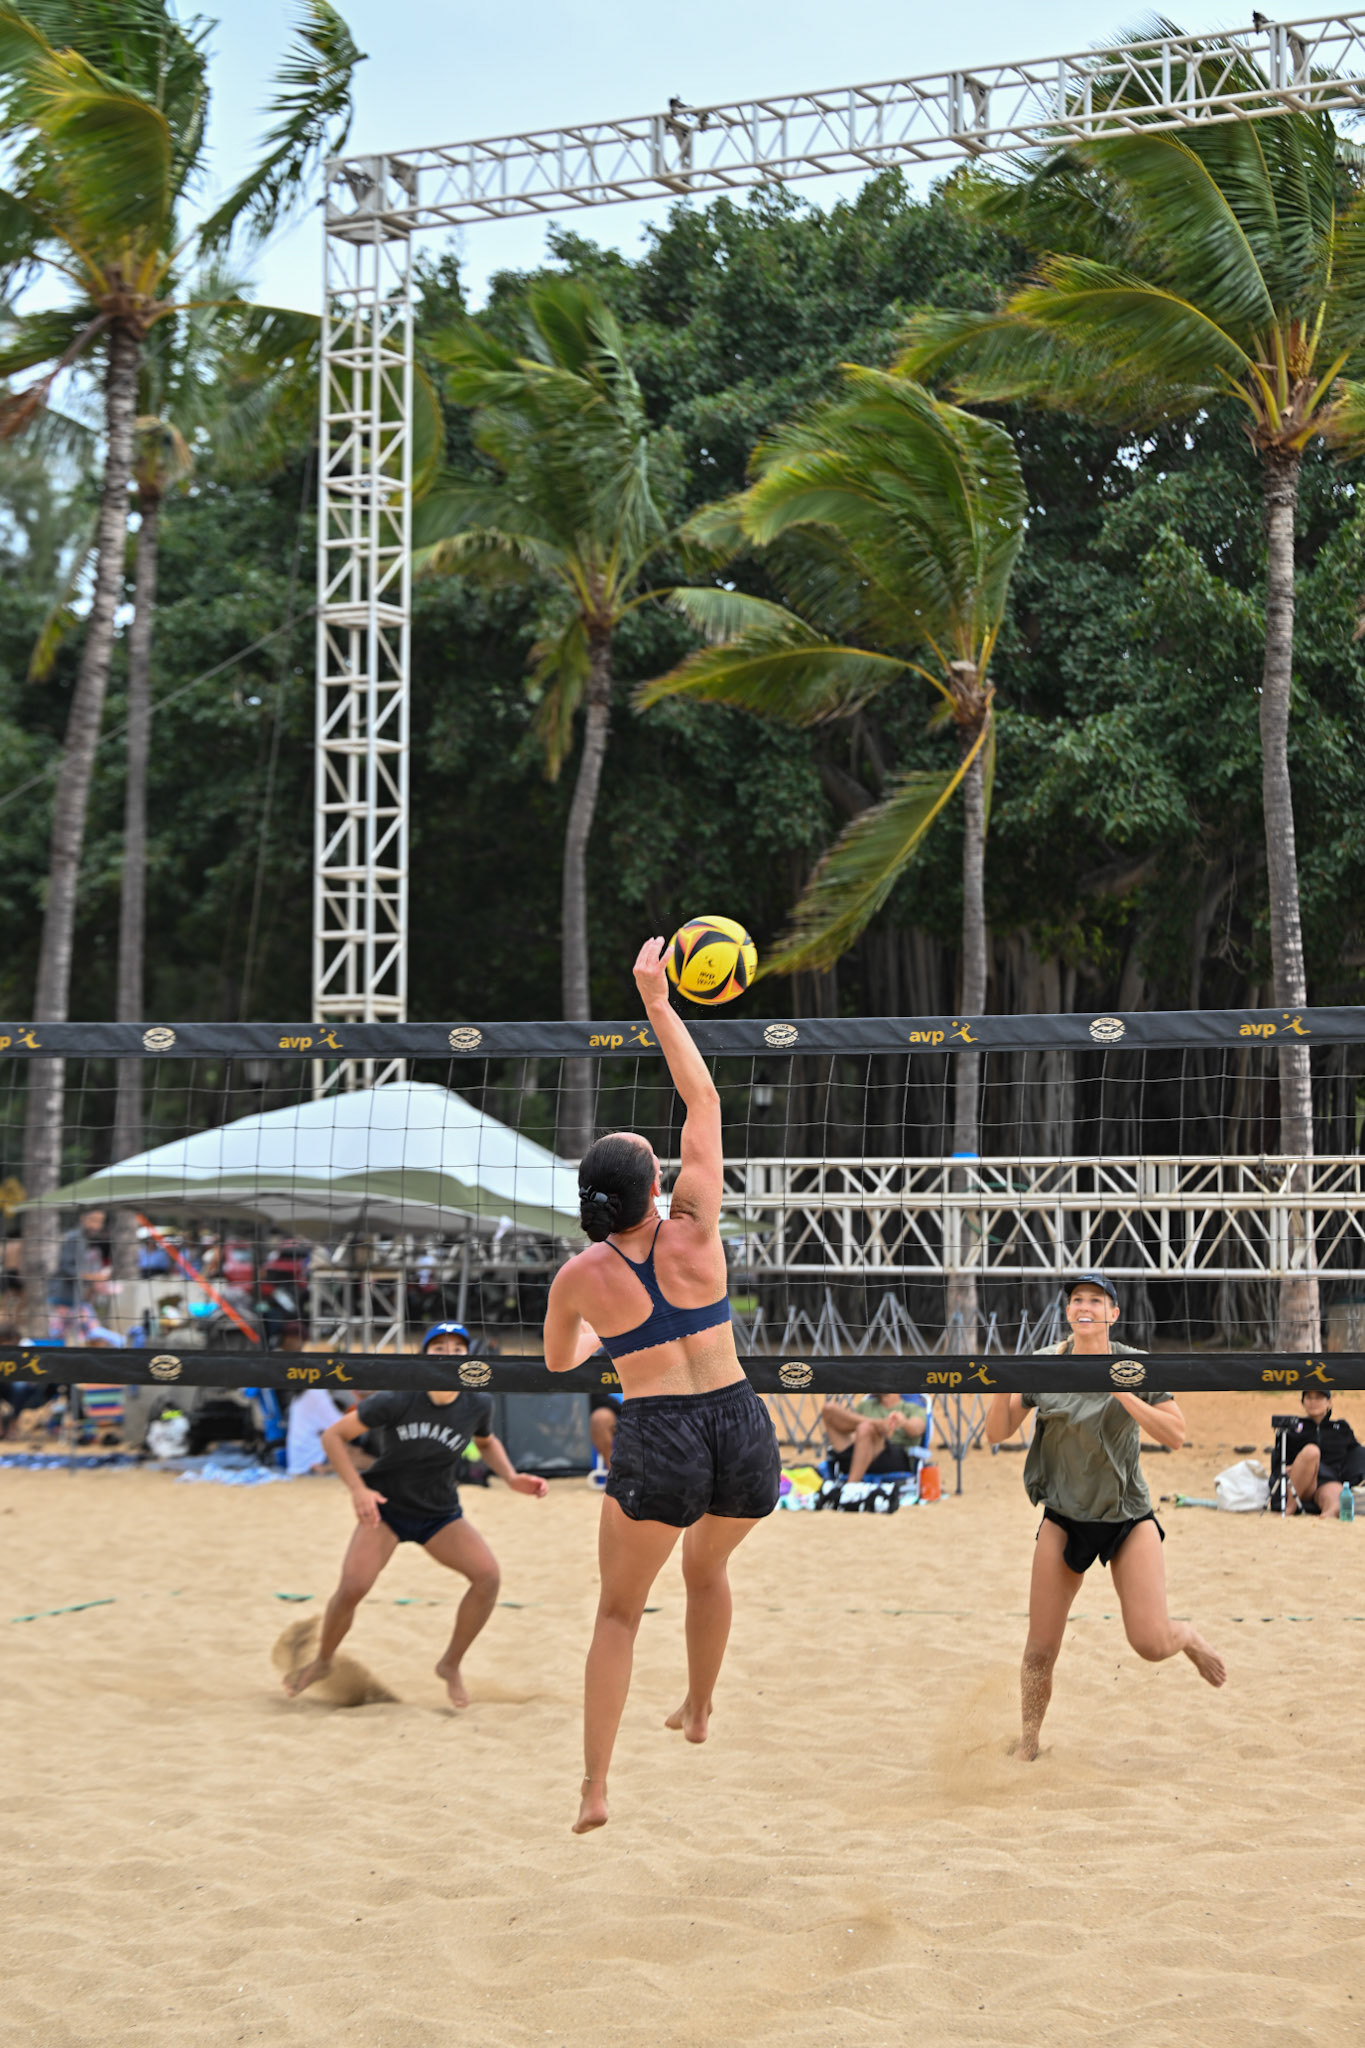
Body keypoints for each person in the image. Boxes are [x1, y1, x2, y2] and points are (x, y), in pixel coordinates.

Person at [544, 937, 781, 1835]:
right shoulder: (695, 1228)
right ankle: (700, 1709)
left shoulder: (578, 1275)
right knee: (708, 1568)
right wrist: (656, 999)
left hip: (657, 1434)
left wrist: (621, 1343)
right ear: (657, 1186)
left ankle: (595, 1789)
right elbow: (704, 1096)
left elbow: (561, 1365)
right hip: (739, 1423)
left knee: (617, 1611)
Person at [984, 1271, 1225, 1761]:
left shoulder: (1133, 1366)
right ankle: (1029, 1743)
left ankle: (1189, 1637)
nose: (1085, 1306)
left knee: (1150, 1643)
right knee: (1039, 1650)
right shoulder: (1046, 1364)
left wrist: (1119, 1389)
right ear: (1068, 1312)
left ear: (1114, 1314)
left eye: (1096, 1299)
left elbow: (1176, 1436)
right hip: (1064, 1516)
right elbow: (997, 1431)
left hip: (1127, 1518)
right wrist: (1001, 1380)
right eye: (1077, 1300)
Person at [282, 1321, 547, 1708]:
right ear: (423, 1356)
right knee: (353, 1586)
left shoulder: (477, 1402)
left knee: (487, 1577)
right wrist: (359, 1490)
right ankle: (323, 1660)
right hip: (387, 1509)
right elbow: (332, 1436)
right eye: (438, 1348)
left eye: (457, 1349)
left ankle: (450, 1664)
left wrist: (510, 1476)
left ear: (468, 1357)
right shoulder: (397, 1398)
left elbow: (486, 1441)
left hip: (438, 1513)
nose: (449, 1355)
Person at [1275, 1387, 1365, 1516]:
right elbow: (1279, 1456)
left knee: (1336, 1503)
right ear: (1302, 1402)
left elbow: (1356, 1454)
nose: (1313, 1402)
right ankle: (1290, 1507)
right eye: (1309, 1398)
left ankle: (1324, 1525)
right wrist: (1285, 1467)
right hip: (1300, 1481)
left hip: (1328, 1480)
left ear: (1329, 1402)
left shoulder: (1341, 1428)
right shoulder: (1292, 1428)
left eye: (1318, 1398)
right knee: (1312, 1451)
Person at [821, 1391, 926, 1481]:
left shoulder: (910, 1408)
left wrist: (904, 1422)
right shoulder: (865, 1405)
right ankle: (876, 1423)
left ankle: (851, 1485)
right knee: (828, 1409)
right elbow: (852, 1433)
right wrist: (879, 1425)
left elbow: (917, 1429)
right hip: (857, 1453)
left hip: (892, 1458)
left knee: (865, 1428)